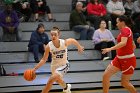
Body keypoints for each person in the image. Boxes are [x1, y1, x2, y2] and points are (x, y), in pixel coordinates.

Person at [31, 26, 84, 93]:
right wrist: (35, 69)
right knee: (58, 80)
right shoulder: (48, 46)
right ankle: (66, 87)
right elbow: (43, 59)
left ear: (59, 35)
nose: (53, 36)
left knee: (51, 79)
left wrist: (79, 47)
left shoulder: (64, 42)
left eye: (55, 35)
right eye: (52, 35)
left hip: (64, 64)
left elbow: (73, 40)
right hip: (54, 66)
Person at [102, 15, 137, 93]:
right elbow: (133, 45)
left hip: (128, 60)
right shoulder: (126, 31)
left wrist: (110, 49)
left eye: (117, 22)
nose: (116, 24)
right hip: (119, 59)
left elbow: (123, 43)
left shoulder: (125, 30)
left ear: (122, 22)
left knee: (124, 83)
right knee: (106, 75)